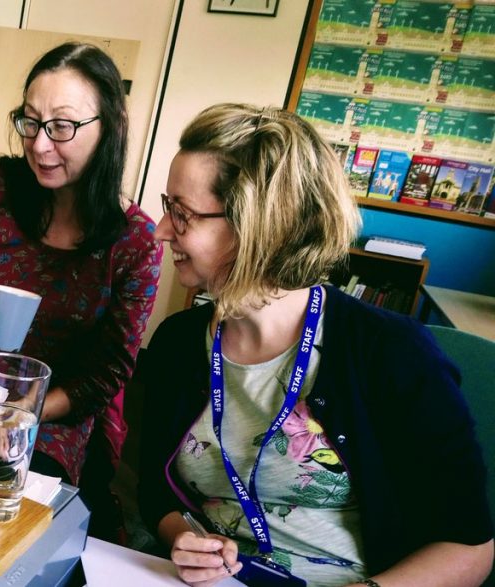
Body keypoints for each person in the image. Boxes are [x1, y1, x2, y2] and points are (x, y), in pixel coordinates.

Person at [138, 103, 492, 586]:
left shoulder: (391, 353)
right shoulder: (178, 343)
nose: (161, 231)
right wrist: (182, 536)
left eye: (182, 215)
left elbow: (470, 547)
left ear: (259, 228)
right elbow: (155, 490)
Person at [0, 42, 161, 539]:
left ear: (110, 129)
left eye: (62, 126)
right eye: (30, 122)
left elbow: (107, 374)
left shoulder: (135, 241)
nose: (39, 145)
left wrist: (21, 412)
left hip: (41, 413)